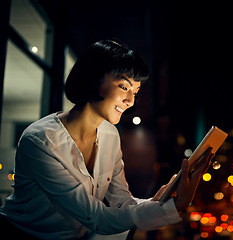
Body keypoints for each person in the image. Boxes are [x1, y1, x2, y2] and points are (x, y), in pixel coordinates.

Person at [0, 40, 214, 239]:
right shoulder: (41, 140)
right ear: (94, 79)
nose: (130, 100)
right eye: (124, 87)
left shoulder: (110, 134)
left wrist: (159, 202)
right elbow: (96, 217)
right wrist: (174, 207)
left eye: (136, 92)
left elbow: (121, 203)